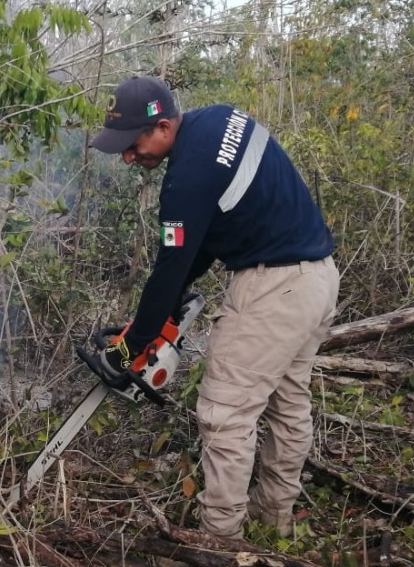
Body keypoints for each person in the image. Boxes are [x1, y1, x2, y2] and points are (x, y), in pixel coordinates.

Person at [88, 75, 339, 540]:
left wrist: (131, 347)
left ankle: (219, 543)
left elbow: (171, 263)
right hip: (317, 277)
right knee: (288, 403)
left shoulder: (185, 181)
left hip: (274, 289)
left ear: (162, 127)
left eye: (131, 144)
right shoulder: (222, 119)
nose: (127, 156)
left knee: (224, 414)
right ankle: (274, 516)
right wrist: (167, 304)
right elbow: (202, 240)